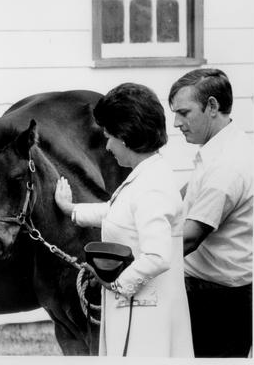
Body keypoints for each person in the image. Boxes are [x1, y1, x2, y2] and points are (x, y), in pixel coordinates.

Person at [55, 83, 193, 357]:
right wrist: (70, 209)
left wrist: (116, 285)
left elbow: (157, 257)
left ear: (126, 137)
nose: (107, 146)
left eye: (109, 137)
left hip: (146, 317)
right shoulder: (146, 174)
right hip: (137, 310)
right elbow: (116, 211)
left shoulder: (152, 185)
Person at [169, 68, 253, 357]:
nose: (177, 123)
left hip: (218, 302)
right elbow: (179, 201)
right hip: (210, 293)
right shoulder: (222, 149)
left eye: (183, 112)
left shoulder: (227, 166)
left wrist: (132, 260)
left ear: (213, 106)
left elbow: (189, 238)